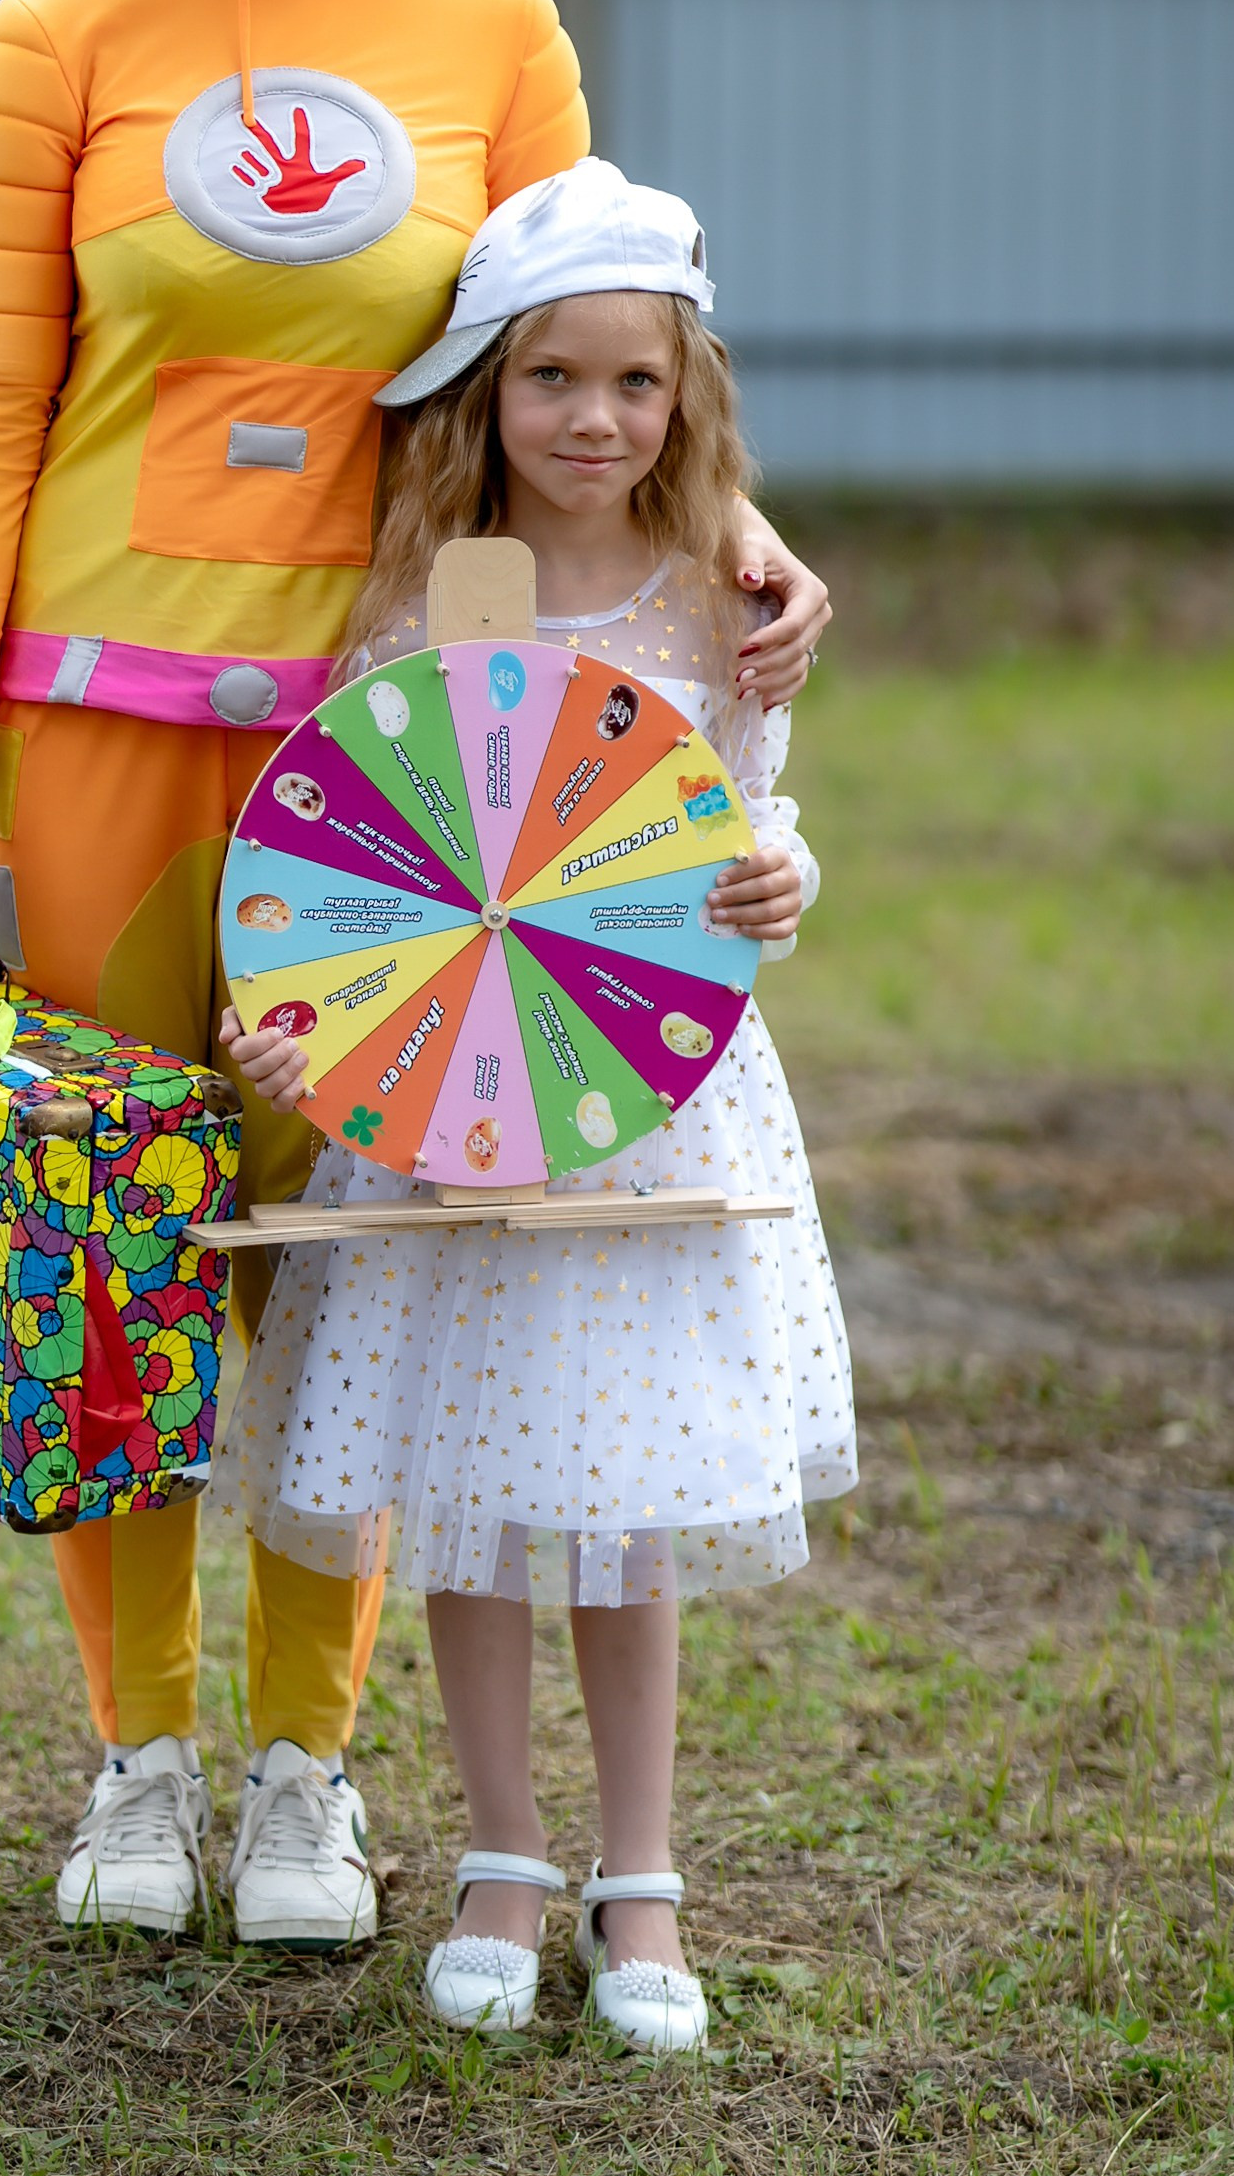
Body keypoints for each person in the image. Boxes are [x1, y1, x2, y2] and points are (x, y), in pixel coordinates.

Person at [0, 0, 834, 1956]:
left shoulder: (487, 32)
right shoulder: (47, 42)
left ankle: (306, 1771)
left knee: (373, 1256)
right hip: (86, 737)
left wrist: (737, 538)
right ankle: (136, 1755)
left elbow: (585, 348)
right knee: (109, 1251)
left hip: (406, 759)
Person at [214, 161, 856, 2052]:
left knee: (630, 1497)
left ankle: (638, 1871)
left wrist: (781, 889)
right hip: (444, 1104)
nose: (595, 418)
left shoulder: (723, 601)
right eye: (553, 378)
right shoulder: (441, 592)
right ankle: (504, 1848)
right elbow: (379, 862)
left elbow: (746, 833)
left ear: (689, 400)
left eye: (637, 385)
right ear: (489, 387)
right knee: (474, 1493)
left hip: (647, 1104)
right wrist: (301, 1034)